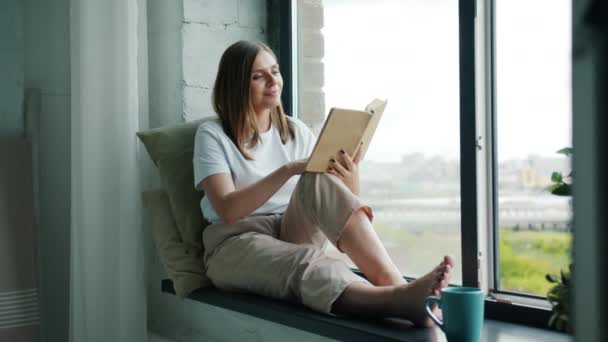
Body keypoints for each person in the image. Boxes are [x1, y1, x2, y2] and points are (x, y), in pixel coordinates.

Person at [193, 40, 453, 327]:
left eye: (275, 71)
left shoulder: (295, 131)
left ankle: (394, 283)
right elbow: (228, 209)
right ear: (236, 85)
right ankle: (399, 301)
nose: (273, 81)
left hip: (289, 226)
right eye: (258, 76)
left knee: (317, 177)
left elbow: (338, 208)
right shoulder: (213, 135)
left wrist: (350, 172)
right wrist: (289, 169)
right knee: (306, 260)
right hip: (235, 242)